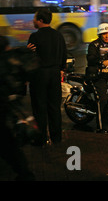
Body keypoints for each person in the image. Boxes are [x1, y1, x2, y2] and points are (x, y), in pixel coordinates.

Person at [27, 8, 67, 145]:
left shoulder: (35, 37)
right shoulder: (58, 35)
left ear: (40, 21)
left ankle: (41, 138)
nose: (33, 20)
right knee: (54, 107)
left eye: (35, 18)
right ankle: (56, 138)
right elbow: (64, 54)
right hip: (55, 74)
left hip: (39, 75)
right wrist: (61, 68)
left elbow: (31, 59)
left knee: (39, 107)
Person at [0, 35, 36, 180]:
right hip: (5, 109)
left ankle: (25, 174)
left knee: (7, 145)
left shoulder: (4, 62)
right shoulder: (9, 60)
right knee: (9, 146)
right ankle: (24, 173)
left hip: (3, 110)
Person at [86, 23, 108, 133]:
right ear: (100, 35)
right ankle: (101, 127)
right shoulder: (94, 45)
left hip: (107, 74)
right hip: (96, 75)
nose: (107, 36)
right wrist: (101, 62)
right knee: (102, 99)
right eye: (105, 34)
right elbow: (90, 58)